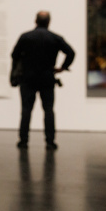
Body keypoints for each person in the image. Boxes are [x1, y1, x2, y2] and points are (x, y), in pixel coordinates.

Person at [11, 11, 75, 150]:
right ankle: (50, 141)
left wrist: (16, 73)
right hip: (47, 78)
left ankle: (23, 140)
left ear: (35, 20)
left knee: (26, 110)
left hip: (28, 78)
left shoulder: (26, 37)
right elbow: (71, 53)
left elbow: (14, 55)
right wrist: (63, 68)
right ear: (49, 22)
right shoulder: (54, 38)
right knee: (48, 110)